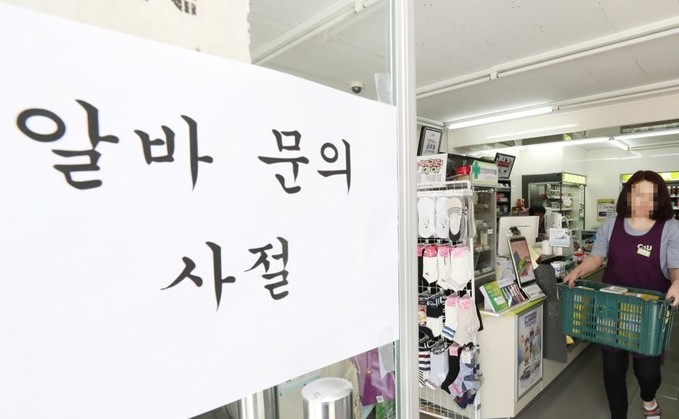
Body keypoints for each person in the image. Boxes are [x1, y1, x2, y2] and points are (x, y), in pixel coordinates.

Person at [565, 170, 679, 419]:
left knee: (648, 373)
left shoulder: (670, 228)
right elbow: (597, 257)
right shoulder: (612, 224)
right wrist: (579, 270)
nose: (643, 201)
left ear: (659, 199)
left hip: (649, 312)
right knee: (613, 369)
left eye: (650, 196)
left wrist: (677, 283)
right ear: (627, 195)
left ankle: (648, 398)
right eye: (637, 194)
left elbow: (675, 267)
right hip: (611, 307)